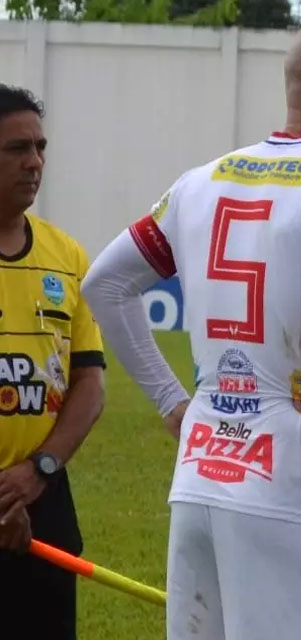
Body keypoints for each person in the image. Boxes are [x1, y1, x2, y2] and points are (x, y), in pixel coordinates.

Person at [81, 20, 301, 640]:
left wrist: (173, 399)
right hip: (294, 485)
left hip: (201, 480)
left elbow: (104, 284)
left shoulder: (201, 180)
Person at [0, 84, 106, 639]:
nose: (35, 162)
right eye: (18, 149)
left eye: (40, 147)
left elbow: (90, 382)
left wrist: (38, 471)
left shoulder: (66, 257)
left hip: (43, 500)